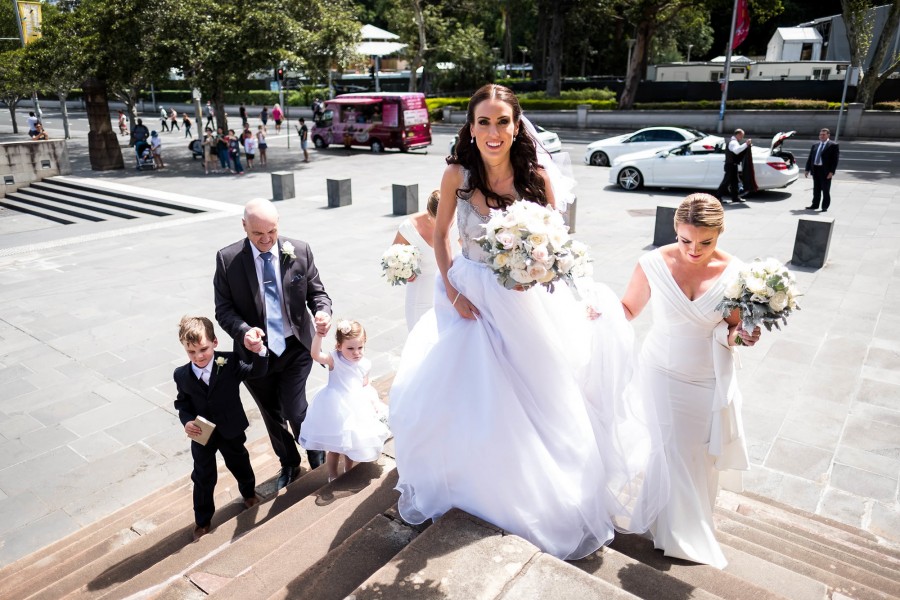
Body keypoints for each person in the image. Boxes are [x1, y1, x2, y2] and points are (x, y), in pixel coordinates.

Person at [388, 84, 663, 560]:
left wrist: (540, 275)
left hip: (525, 301)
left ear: (517, 127)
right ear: (471, 128)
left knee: (539, 394)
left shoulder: (536, 175)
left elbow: (557, 245)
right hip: (470, 297)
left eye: (502, 122)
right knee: (472, 394)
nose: (493, 132)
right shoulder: (456, 173)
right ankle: (474, 484)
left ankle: (539, 493)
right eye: (483, 122)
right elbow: (442, 237)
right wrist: (453, 291)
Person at [620, 193, 760, 569]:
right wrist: (597, 313)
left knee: (698, 455)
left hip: (706, 376)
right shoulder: (651, 263)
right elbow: (629, 308)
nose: (694, 250)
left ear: (720, 234)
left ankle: (675, 521)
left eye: (705, 242)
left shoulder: (737, 273)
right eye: (685, 240)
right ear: (675, 230)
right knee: (671, 448)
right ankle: (678, 535)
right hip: (661, 371)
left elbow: (731, 329)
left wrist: (743, 336)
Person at [214, 198, 333, 487]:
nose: (266, 240)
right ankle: (289, 463)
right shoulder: (228, 260)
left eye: (272, 232)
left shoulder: (300, 250)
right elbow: (223, 308)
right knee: (272, 414)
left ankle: (314, 449)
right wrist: (243, 331)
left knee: (294, 407)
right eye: (258, 234)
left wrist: (322, 312)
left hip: (296, 347)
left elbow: (318, 293)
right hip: (255, 354)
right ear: (244, 227)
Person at [173, 316, 266, 541]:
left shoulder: (230, 362)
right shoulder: (181, 375)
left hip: (230, 427)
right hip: (202, 433)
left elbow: (256, 371)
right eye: (191, 352)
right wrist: (186, 421)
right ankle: (203, 520)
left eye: (203, 349)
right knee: (203, 476)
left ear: (214, 342)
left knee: (239, 462)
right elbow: (182, 403)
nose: (199, 356)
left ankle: (249, 493)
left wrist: (260, 351)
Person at [300, 320, 390, 482]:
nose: (356, 353)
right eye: (350, 348)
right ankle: (332, 474)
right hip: (336, 406)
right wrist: (319, 336)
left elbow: (365, 385)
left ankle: (349, 470)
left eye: (360, 348)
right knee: (334, 448)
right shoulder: (335, 359)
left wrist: (374, 402)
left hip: (356, 407)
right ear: (339, 346)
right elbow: (315, 355)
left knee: (351, 444)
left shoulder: (365, 364)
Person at [390, 190, 450, 330]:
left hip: (450, 295)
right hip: (421, 299)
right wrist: (404, 271)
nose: (446, 224)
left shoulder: (457, 220)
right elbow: (393, 257)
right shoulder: (409, 228)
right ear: (429, 213)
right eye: (439, 220)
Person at [804, 128, 839, 212]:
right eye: (820, 134)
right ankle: (815, 205)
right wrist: (807, 169)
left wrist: (831, 172)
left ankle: (824, 206)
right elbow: (810, 158)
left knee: (825, 190)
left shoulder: (833, 145)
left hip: (825, 171)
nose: (821, 136)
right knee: (816, 189)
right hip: (815, 170)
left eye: (823, 134)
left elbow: (835, 160)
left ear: (828, 135)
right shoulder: (815, 145)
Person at [715, 129, 751, 204]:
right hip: (730, 165)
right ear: (737, 135)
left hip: (732, 165)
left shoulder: (734, 142)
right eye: (741, 136)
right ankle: (717, 197)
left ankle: (735, 198)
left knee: (734, 182)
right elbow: (737, 151)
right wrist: (746, 144)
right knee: (726, 182)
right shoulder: (733, 142)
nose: (742, 137)